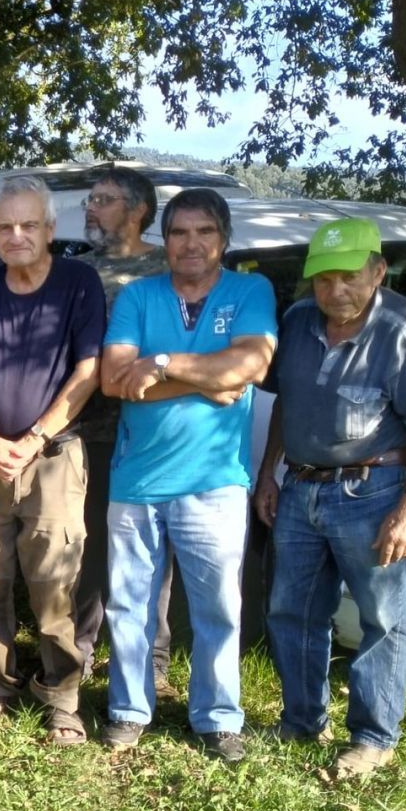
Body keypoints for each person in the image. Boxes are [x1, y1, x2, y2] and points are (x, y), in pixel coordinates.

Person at [256, 218, 406, 778]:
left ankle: (372, 736)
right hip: (301, 488)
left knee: (382, 618)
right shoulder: (296, 323)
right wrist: (270, 472)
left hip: (376, 491)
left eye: (348, 277)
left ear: (378, 271)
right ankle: (300, 720)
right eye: (322, 280)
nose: (334, 291)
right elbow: (286, 404)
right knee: (293, 611)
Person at [98, 188, 277, 763]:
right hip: (137, 480)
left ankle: (218, 717)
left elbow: (252, 363)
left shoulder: (250, 290)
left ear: (223, 239)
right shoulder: (138, 296)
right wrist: (212, 378)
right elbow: (113, 379)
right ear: (165, 239)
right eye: (179, 232)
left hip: (214, 481)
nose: (191, 243)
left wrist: (165, 363)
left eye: (204, 232)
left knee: (218, 607)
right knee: (129, 605)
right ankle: (128, 709)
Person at [0, 175, 105, 747]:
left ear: (50, 229)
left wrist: (34, 437)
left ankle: (62, 697)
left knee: (54, 581)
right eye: (6, 226)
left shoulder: (78, 284)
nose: (16, 236)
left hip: (55, 456)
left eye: (28, 225)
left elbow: (88, 373)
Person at [71, 166, 175, 691]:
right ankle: (78, 657)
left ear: (138, 211)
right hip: (85, 434)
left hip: (150, 434)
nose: (91, 208)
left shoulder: (167, 270)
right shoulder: (78, 273)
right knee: (85, 550)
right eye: (90, 199)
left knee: (148, 551)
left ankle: (148, 662)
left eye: (104, 199)